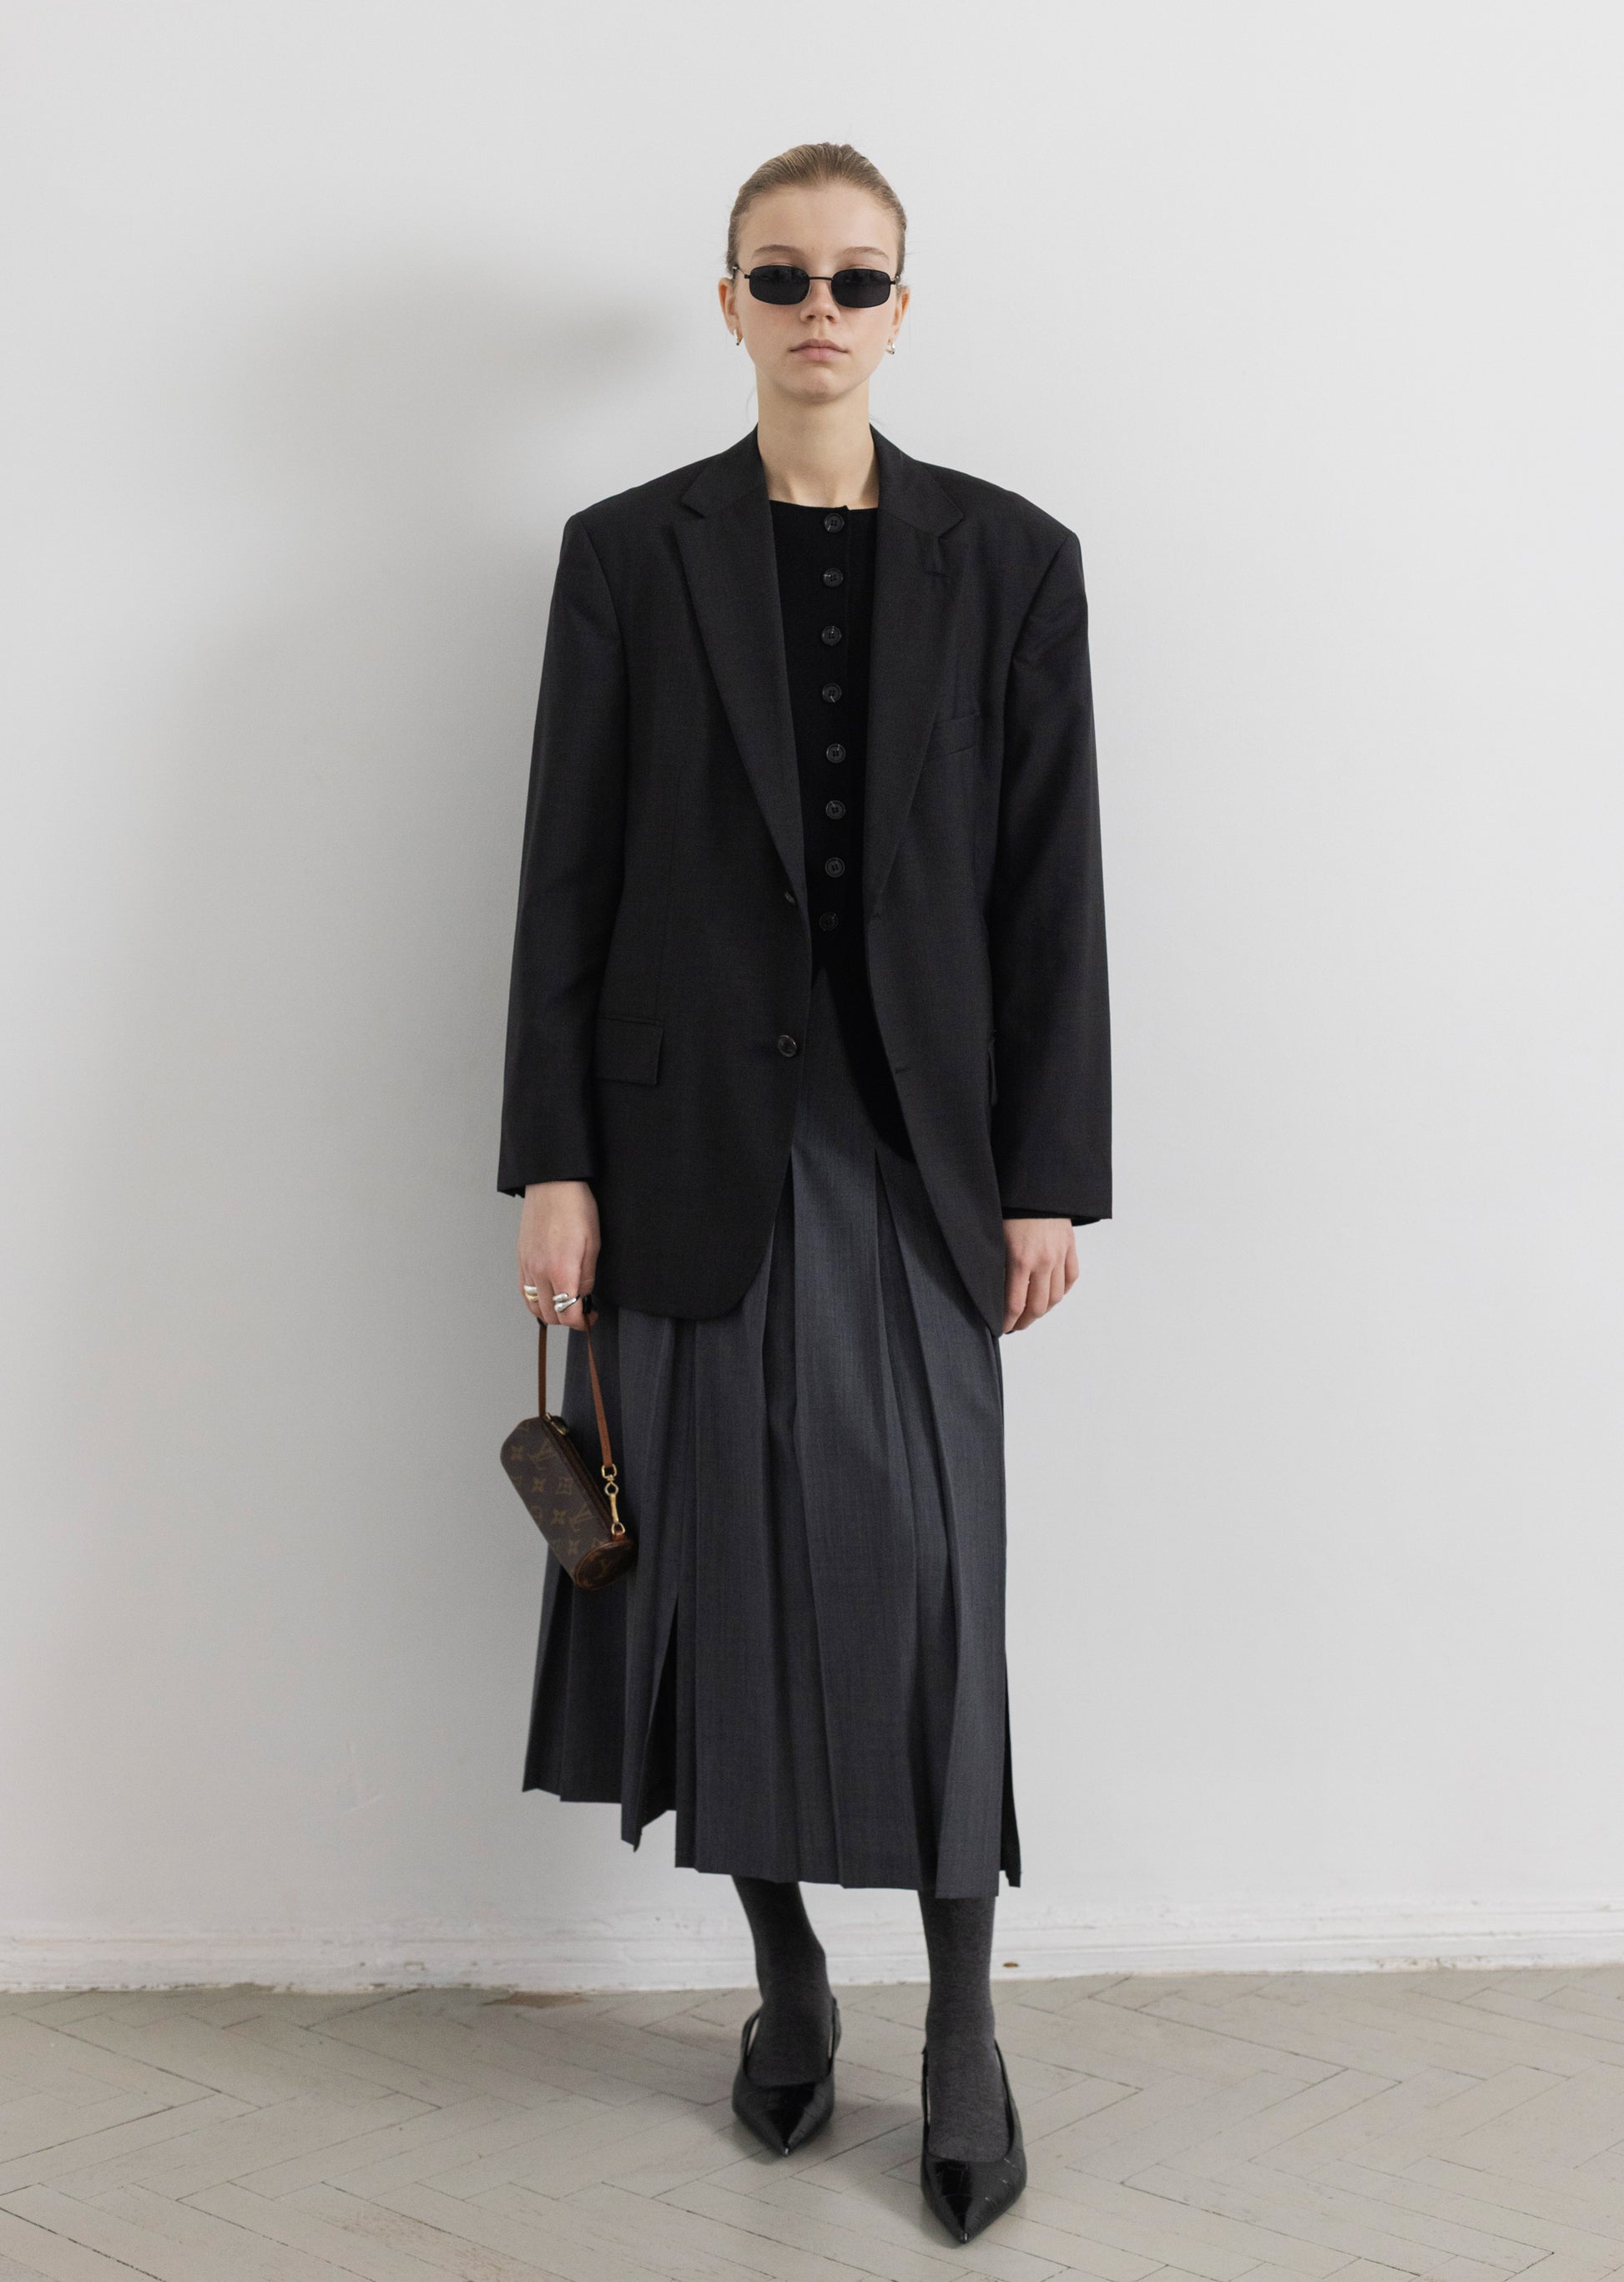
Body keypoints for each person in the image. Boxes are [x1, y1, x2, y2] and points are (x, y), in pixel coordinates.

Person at [498, 140, 1109, 2244]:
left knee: (930, 1593)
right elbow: (564, 875)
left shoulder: (1014, 562)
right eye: (783, 275)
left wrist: (1048, 1177)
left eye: (857, 278)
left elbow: (1051, 895)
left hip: (921, 1161)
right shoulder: (626, 555)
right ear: (732, 303)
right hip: (685, 1159)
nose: (820, 309)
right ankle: (783, 1981)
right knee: (718, 1584)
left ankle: (963, 2028)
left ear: (903, 308)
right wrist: (554, 1159)